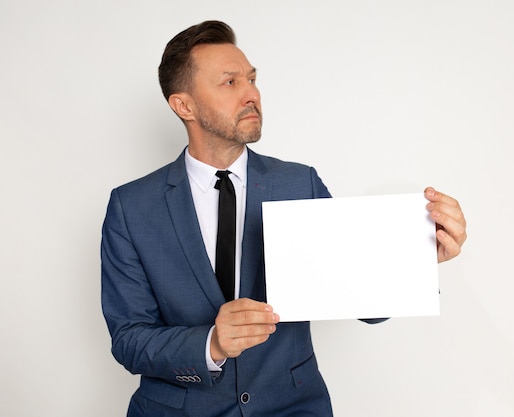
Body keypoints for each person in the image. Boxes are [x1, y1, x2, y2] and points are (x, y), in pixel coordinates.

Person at [101, 20, 467, 417]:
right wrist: (211, 344)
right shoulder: (131, 207)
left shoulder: (299, 182)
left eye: (252, 79)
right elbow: (129, 339)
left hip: (291, 407)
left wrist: (419, 256)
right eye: (230, 82)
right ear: (183, 105)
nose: (251, 94)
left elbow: (363, 298)